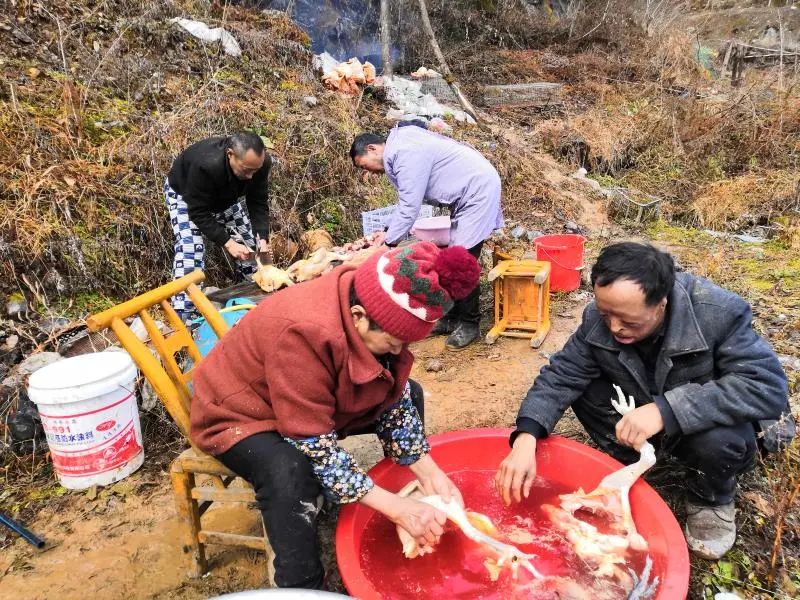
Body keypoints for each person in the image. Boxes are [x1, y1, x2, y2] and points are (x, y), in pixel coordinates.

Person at [190, 241, 481, 589]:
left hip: (308, 397)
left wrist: (428, 470)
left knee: (410, 391)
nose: (398, 352)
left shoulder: (371, 298)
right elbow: (314, 445)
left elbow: (393, 389)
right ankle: (302, 585)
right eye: (392, 343)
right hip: (240, 412)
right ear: (358, 317)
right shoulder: (302, 333)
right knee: (288, 469)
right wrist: (393, 507)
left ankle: (407, 503)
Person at [495, 242, 794, 560]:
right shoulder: (600, 319)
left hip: (703, 424)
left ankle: (711, 498)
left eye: (628, 320)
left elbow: (766, 387)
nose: (613, 327)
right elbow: (562, 376)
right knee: (582, 388)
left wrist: (667, 410)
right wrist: (526, 437)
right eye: (605, 312)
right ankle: (634, 459)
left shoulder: (717, 313)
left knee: (719, 439)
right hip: (645, 403)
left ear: (661, 303)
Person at [350, 123, 504, 350]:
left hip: (477, 192)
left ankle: (470, 323)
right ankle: (451, 317)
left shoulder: (404, 152)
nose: (368, 172)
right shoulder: (401, 145)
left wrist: (389, 243)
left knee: (461, 260)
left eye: (364, 166)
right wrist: (385, 231)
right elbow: (406, 202)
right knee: (446, 256)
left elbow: (409, 207)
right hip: (467, 194)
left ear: (372, 148)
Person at [165, 131, 271, 319]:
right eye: (246, 170)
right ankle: (183, 316)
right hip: (186, 196)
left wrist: (262, 237)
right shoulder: (205, 164)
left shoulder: (258, 165)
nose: (251, 177)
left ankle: (255, 294)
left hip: (226, 198)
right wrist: (228, 243)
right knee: (191, 250)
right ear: (230, 154)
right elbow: (198, 212)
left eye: (255, 171)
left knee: (250, 245)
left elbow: (258, 201)